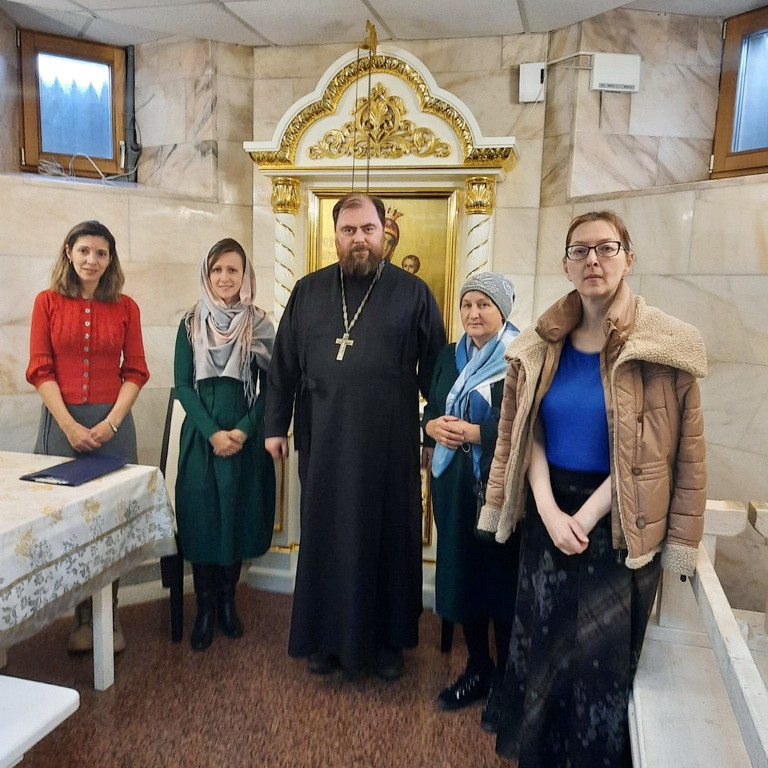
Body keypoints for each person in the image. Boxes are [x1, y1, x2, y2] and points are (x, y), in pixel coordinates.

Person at [477, 211, 707, 767]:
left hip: (621, 522)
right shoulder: (540, 343)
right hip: (549, 512)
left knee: (598, 662)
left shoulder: (666, 346)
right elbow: (524, 429)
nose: (593, 260)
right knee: (544, 646)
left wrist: (587, 516)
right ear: (566, 265)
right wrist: (548, 507)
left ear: (629, 258)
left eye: (606, 248)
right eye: (579, 251)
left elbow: (674, 453)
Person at [264, 192, 446, 680]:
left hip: (389, 442)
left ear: (384, 233)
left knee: (388, 537)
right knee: (326, 536)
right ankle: (324, 640)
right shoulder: (308, 291)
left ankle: (387, 642)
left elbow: (436, 371)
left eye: (368, 229)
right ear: (336, 236)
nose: (359, 239)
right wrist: (274, 426)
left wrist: (434, 434)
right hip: (323, 437)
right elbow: (283, 365)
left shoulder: (413, 293)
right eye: (348, 230)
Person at [26, 220, 149, 654]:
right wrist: (68, 425)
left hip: (113, 426)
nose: (91, 260)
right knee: (69, 524)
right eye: (84, 251)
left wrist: (111, 422)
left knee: (111, 522)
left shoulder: (126, 307)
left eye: (101, 253)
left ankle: (107, 613)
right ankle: (79, 615)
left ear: (110, 259)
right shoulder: (46, 302)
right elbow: (39, 368)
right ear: (69, 252)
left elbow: (136, 370)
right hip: (62, 426)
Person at [422, 273, 520, 725]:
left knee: (499, 578)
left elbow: (526, 422)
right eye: (467, 304)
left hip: (497, 485)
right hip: (454, 484)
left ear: (503, 310)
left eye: (484, 304)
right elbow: (431, 407)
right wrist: (431, 427)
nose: (473, 313)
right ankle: (478, 668)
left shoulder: (520, 355)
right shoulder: (449, 355)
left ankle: (507, 679)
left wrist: (476, 433)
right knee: (463, 574)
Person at [174, 238, 276, 652]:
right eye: (217, 269)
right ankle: (204, 609)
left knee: (237, 518)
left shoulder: (261, 324)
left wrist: (244, 430)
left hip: (244, 440)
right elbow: (183, 385)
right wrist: (213, 432)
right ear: (207, 273)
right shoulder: (190, 323)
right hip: (202, 439)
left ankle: (228, 605)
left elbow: (273, 387)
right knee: (203, 521)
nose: (224, 277)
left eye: (233, 269)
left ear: (245, 275)